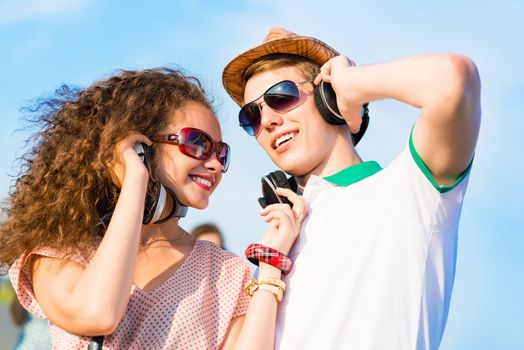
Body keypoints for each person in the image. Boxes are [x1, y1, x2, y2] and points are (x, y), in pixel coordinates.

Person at [0, 67, 307, 349]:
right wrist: (135, 179)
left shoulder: (225, 271)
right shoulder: (59, 249)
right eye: (197, 143)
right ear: (141, 147)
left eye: (221, 153)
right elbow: (97, 313)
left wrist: (270, 264)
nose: (214, 164)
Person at [222, 28, 481, 349]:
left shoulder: (408, 191)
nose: (269, 120)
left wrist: (352, 85)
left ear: (326, 97)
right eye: (252, 115)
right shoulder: (278, 241)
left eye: (281, 96)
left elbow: (453, 79)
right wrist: (270, 264)